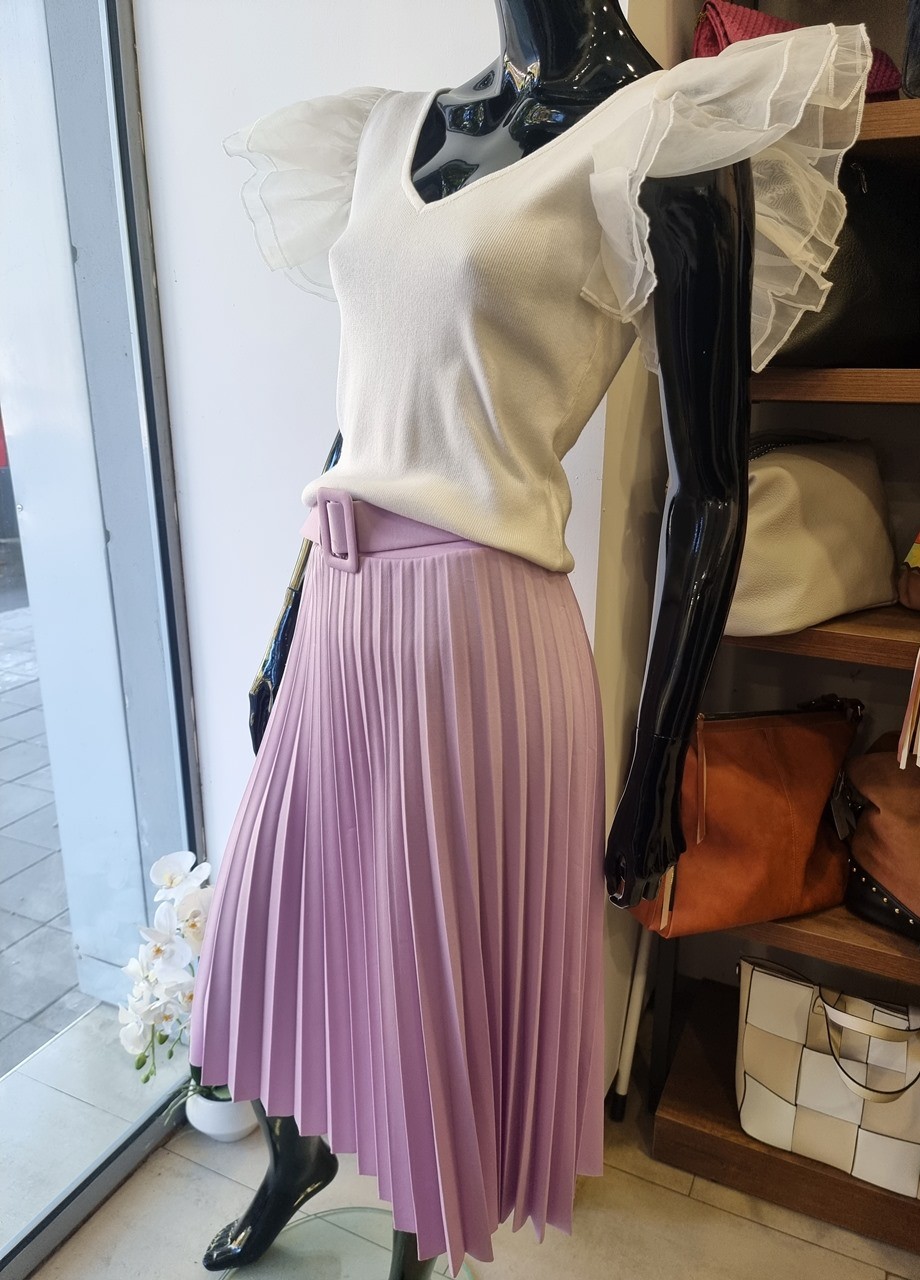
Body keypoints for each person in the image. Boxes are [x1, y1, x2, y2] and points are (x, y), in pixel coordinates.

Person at [190, 3, 871, 1275]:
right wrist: (288, 617)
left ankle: (415, 1246)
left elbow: (709, 491)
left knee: (424, 983)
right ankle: (295, 1151)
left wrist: (655, 764)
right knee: (277, 921)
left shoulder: (663, 139)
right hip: (341, 610)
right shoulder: (399, 130)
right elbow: (363, 415)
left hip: (477, 640)